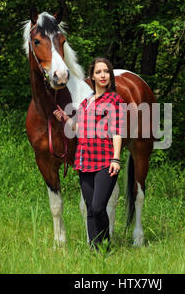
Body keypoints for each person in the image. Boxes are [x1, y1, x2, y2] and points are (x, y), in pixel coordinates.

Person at [53, 57, 125, 250]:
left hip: (104, 161)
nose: (103, 75)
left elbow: (117, 131)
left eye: (106, 72)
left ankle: (106, 246)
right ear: (92, 76)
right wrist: (66, 118)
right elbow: (79, 129)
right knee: (91, 209)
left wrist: (116, 159)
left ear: (110, 76)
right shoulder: (86, 102)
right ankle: (95, 250)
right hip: (84, 161)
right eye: (98, 72)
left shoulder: (115, 100)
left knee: (99, 206)